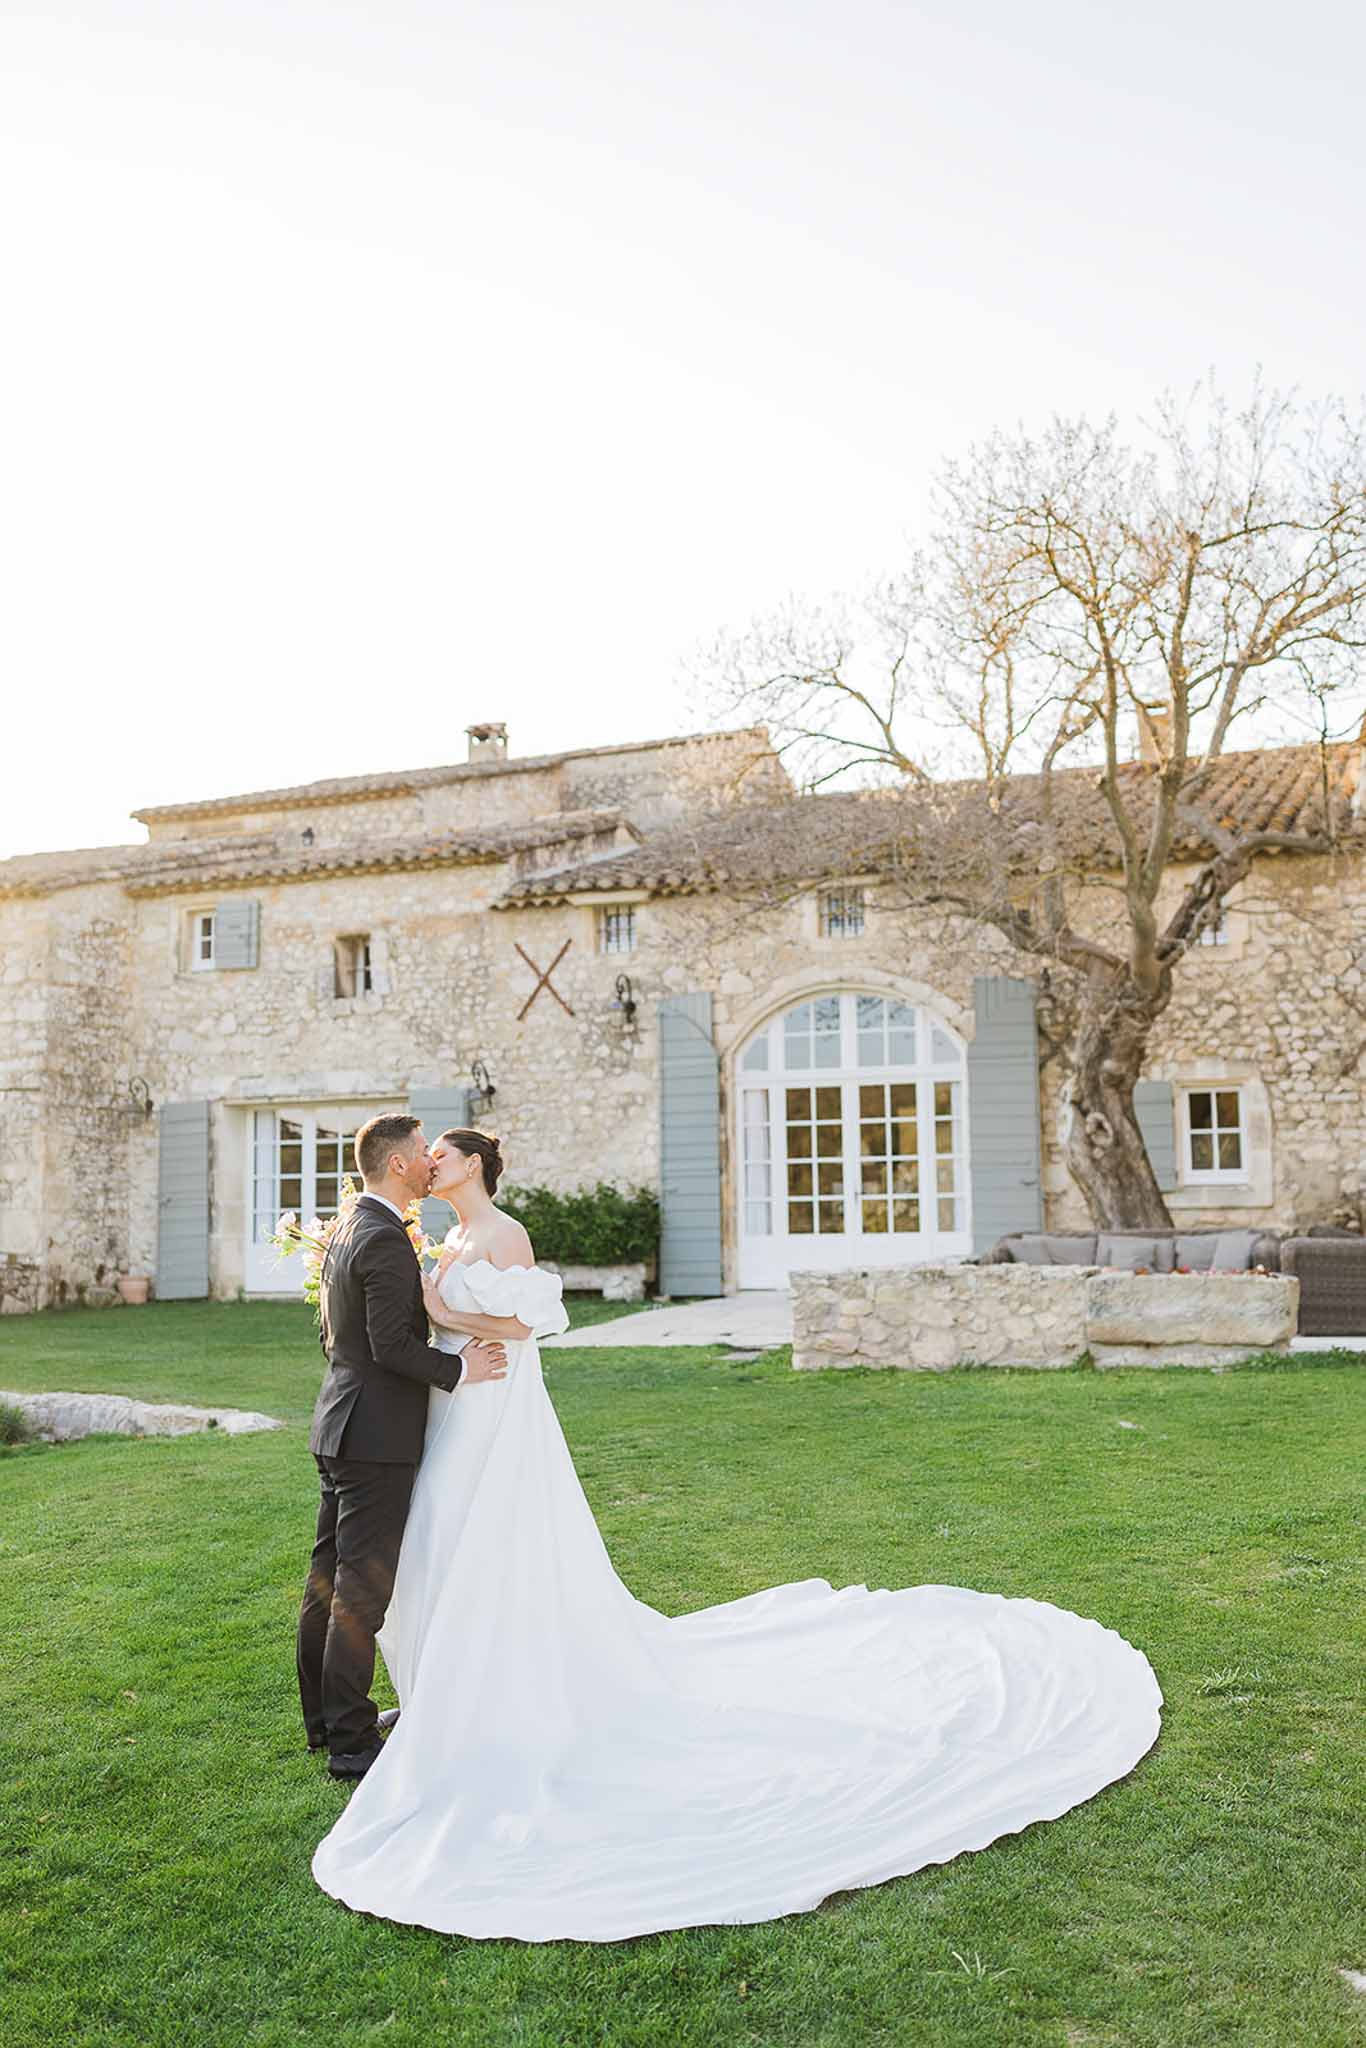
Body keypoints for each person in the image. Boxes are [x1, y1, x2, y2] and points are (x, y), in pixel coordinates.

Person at [311, 1124, 1163, 1942]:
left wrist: (462, 1332)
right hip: (453, 1412)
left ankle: (477, 1688)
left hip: (492, 1404)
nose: (431, 1160)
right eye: (426, 1153)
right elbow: (405, 1322)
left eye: (444, 1152)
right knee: (436, 1550)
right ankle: (435, 1685)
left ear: (470, 1167)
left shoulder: (504, 1234)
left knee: (486, 1544)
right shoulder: (440, 1240)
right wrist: (440, 1317)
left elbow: (534, 1326)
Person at [296, 1113, 508, 1780]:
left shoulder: (352, 1225)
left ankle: (325, 1721)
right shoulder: (385, 1238)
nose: (427, 1159)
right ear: (397, 1165)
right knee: (361, 1591)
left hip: (340, 1422)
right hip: (376, 1438)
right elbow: (391, 1346)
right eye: (421, 1151)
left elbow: (337, 1337)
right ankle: (354, 1744)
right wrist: (458, 1371)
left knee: (329, 1579)